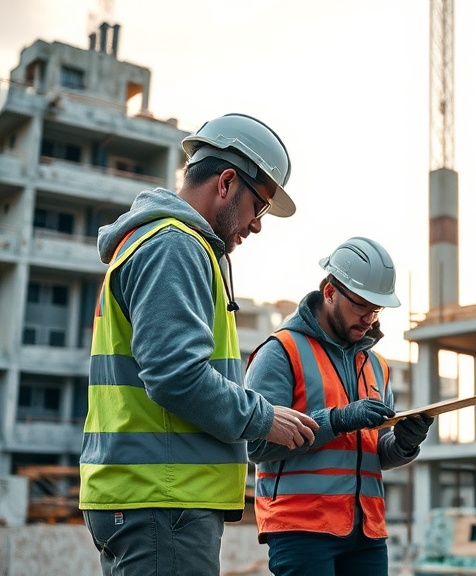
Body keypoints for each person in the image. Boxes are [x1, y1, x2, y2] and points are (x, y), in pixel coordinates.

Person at [79, 113, 320, 576]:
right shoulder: (174, 246)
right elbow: (176, 375)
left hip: (148, 496)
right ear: (227, 182)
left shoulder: (158, 242)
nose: (256, 225)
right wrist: (263, 418)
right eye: (260, 206)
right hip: (163, 500)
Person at [246, 237, 434, 576]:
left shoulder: (376, 364)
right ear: (330, 291)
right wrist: (338, 420)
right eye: (361, 306)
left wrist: (405, 444)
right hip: (301, 528)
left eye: (376, 310)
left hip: (366, 531)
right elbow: (256, 444)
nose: (369, 319)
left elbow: (372, 453)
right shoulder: (281, 351)